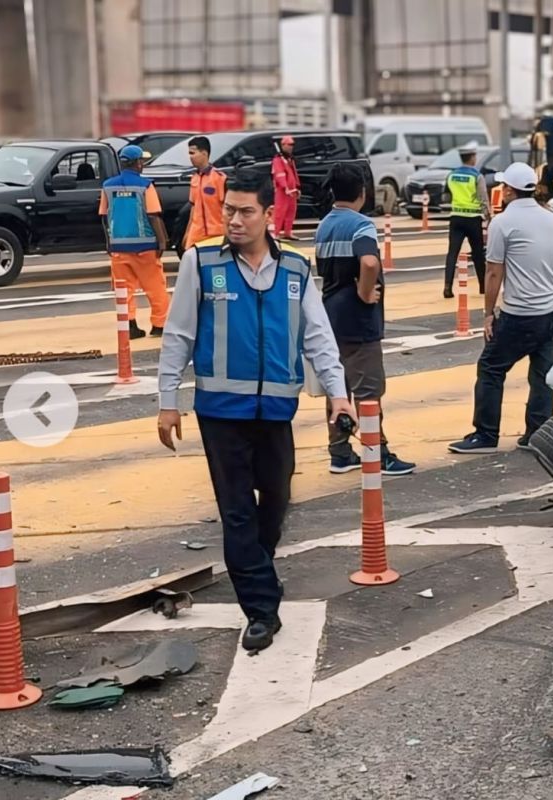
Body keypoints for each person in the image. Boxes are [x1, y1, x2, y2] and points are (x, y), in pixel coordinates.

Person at [156, 170, 355, 653]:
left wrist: (338, 392)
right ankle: (262, 609)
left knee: (278, 498)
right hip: (220, 411)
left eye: (246, 211)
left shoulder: (294, 269)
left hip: (276, 409)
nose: (234, 220)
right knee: (238, 511)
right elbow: (178, 333)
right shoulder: (201, 263)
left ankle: (256, 569)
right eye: (229, 210)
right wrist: (167, 401)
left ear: (270, 214)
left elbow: (317, 335)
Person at [448, 162, 553, 454]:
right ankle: (538, 434)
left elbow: (493, 273)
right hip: (551, 308)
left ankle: (486, 434)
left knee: (490, 368)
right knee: (542, 373)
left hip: (521, 313)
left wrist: (489, 314)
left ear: (509, 191)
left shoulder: (503, 223)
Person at [315, 163, 416, 476]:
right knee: (369, 391)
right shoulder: (361, 224)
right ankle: (378, 452)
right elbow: (370, 261)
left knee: (338, 388)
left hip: (330, 316)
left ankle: (340, 452)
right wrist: (364, 292)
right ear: (362, 192)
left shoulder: (324, 225)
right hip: (359, 321)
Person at [99, 144, 170, 338]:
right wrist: (162, 242)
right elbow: (154, 216)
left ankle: (129, 326)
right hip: (145, 246)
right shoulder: (145, 185)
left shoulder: (108, 186)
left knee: (124, 289)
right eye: (142, 161)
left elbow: (104, 217)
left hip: (119, 248)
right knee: (155, 287)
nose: (143, 164)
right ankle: (159, 324)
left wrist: (109, 243)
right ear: (137, 163)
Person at [442, 142, 490, 298]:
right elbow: (483, 198)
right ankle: (483, 286)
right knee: (477, 254)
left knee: (452, 253)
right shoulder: (477, 176)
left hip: (456, 218)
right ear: (472, 158)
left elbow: (446, 195)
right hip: (473, 219)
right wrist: (489, 216)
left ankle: (447, 287)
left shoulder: (451, 175)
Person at [183, 135, 227, 251]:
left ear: (204, 153)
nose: (190, 157)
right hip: (197, 234)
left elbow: (227, 207)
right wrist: (187, 232)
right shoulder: (194, 178)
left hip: (217, 234)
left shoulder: (219, 178)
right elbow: (193, 207)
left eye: (192, 153)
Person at [271, 135, 301, 241]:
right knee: (280, 212)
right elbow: (279, 175)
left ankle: (288, 232)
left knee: (291, 212)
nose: (291, 147)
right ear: (283, 145)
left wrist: (297, 186)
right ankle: (276, 233)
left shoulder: (289, 159)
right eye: (289, 144)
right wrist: (285, 187)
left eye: (292, 144)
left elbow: (294, 173)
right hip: (282, 191)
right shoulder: (278, 160)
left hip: (292, 190)